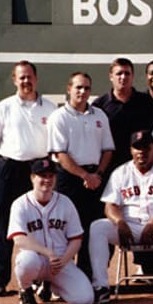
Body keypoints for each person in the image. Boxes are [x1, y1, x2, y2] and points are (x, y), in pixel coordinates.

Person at [0, 61, 56, 297]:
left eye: (29, 77)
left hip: (40, 169)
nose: (26, 81)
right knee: (7, 224)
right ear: (15, 80)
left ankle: (42, 280)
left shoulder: (50, 108)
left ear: (36, 78)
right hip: (10, 168)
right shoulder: (3, 107)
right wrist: (8, 159)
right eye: (21, 77)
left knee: (41, 224)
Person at [87, 131, 153, 304]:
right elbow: (110, 205)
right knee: (97, 227)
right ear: (131, 150)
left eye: (146, 148)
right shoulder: (121, 172)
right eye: (137, 148)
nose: (141, 152)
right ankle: (101, 286)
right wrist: (119, 222)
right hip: (129, 227)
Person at [48, 72, 115, 278]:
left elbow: (107, 150)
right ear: (69, 89)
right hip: (69, 179)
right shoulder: (58, 117)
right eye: (78, 87)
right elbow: (61, 154)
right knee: (63, 230)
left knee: (92, 230)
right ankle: (55, 279)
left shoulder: (99, 115)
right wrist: (85, 176)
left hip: (95, 179)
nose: (83, 92)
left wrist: (98, 174)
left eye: (86, 88)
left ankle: (87, 277)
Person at [8, 159, 93, 304]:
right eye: (42, 176)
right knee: (26, 260)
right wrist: (48, 253)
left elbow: (76, 239)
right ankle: (26, 289)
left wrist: (63, 260)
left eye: (51, 175)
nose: (47, 180)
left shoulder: (65, 203)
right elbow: (19, 239)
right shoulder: (20, 204)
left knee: (85, 300)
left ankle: (50, 285)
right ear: (32, 178)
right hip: (36, 259)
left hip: (61, 260)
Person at [92, 58, 153, 167]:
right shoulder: (99, 106)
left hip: (141, 165)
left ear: (132, 76)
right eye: (119, 73)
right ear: (111, 77)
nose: (123, 77)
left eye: (127, 73)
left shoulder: (147, 103)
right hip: (109, 166)